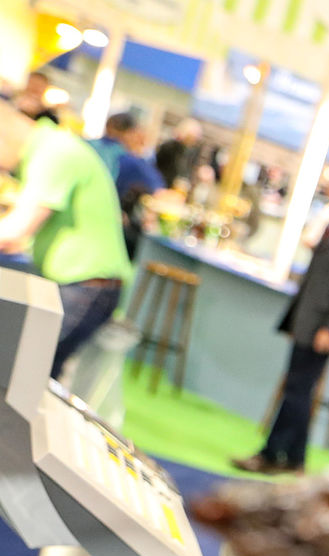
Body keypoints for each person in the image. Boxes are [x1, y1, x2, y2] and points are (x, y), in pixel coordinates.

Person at [231, 160, 329, 475]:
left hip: (323, 326)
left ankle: (275, 456)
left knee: (298, 389)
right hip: (310, 320)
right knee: (298, 388)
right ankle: (294, 459)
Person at [0, 98, 131, 379]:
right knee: (29, 376)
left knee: (25, 375)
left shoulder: (54, 153)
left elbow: (17, 228)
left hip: (85, 286)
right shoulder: (51, 149)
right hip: (79, 285)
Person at [89, 112, 163, 260]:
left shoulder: (86, 145)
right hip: (100, 232)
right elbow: (162, 192)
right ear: (131, 133)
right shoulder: (131, 161)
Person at [153, 117, 202, 189]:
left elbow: (187, 170)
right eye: (191, 138)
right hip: (161, 185)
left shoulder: (191, 151)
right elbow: (156, 166)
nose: (193, 142)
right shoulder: (169, 146)